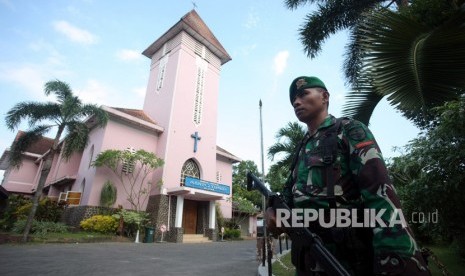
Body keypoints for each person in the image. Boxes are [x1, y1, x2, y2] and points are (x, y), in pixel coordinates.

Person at [266, 76, 430, 275]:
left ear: (324, 96)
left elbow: (380, 194)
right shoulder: (302, 147)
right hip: (308, 259)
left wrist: (395, 259)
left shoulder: (348, 130)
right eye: (293, 100)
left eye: (303, 94)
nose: (296, 102)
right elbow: (289, 194)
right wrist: (273, 211)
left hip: (347, 259)